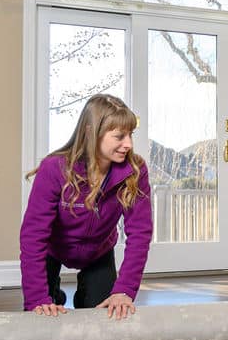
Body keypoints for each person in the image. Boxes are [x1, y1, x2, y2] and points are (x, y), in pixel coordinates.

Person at [20, 94, 153, 320]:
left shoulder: (135, 171)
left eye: (130, 134)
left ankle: (84, 296)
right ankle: (54, 293)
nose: (128, 144)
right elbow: (33, 235)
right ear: (92, 132)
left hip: (99, 252)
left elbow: (140, 233)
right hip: (54, 250)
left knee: (104, 316)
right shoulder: (54, 168)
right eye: (119, 136)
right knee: (40, 314)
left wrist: (124, 290)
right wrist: (37, 298)